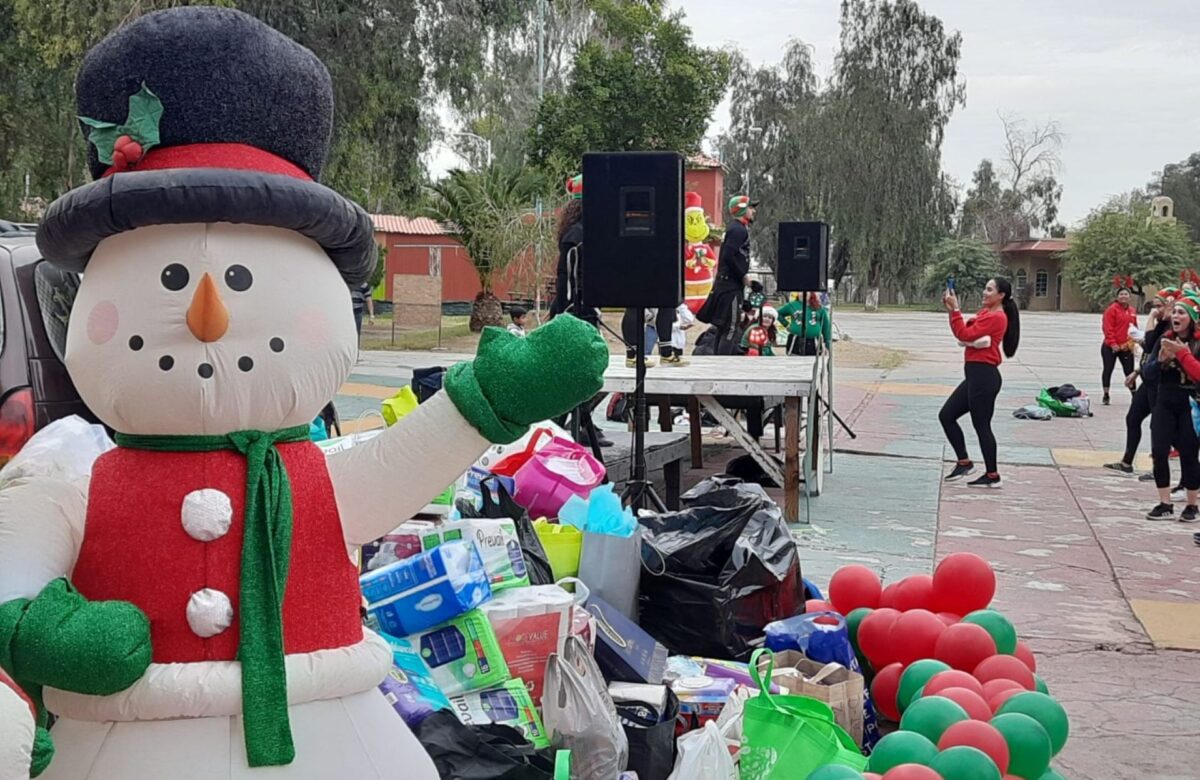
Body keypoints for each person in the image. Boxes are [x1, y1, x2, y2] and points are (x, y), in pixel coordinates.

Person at [939, 277, 1021, 488]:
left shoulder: (997, 317)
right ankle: (964, 462)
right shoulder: (986, 313)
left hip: (984, 377)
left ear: (1001, 295)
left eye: (989, 290)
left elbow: (964, 333)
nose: (984, 293)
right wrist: (953, 313)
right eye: (985, 288)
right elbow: (965, 332)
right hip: (975, 376)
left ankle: (992, 475)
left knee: (981, 425)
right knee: (947, 415)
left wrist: (956, 311)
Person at [1141, 295, 1200, 521]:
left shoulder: (1197, 343)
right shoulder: (1165, 339)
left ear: (1192, 318)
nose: (1175, 316)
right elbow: (1148, 374)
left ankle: (1192, 505)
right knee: (1159, 451)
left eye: (1181, 313)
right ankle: (1164, 503)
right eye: (1174, 312)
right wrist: (1161, 361)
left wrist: (1182, 355)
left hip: (1189, 403)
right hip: (1164, 401)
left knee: (1188, 453)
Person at [1106, 287, 1177, 475]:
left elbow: (1148, 339)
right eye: (1155, 306)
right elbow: (1150, 351)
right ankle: (1127, 461)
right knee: (1133, 417)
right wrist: (1136, 372)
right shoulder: (1163, 324)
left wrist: (1152, 318)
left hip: (1160, 383)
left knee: (1158, 426)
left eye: (1160, 306)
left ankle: (1158, 469)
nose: (1156, 310)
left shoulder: (1172, 328)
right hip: (1148, 380)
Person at [697, 194, 760, 350]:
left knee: (722, 327)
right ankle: (723, 364)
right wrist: (744, 277)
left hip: (726, 284)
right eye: (751, 207)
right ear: (742, 210)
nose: (754, 211)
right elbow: (728, 256)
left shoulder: (734, 228)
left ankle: (718, 361)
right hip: (730, 287)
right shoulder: (738, 230)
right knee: (731, 327)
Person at [549, 176, 595, 325]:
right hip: (575, 307)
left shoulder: (573, 231)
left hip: (577, 304)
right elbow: (565, 274)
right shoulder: (576, 234)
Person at [1101, 281, 1138, 404]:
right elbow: (1108, 328)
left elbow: (1134, 327)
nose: (1123, 296)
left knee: (1130, 371)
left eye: (1126, 294)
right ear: (1117, 297)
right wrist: (1113, 343)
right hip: (1110, 347)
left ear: (1130, 297)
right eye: (1121, 294)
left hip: (1126, 346)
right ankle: (1106, 394)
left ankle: (1135, 396)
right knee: (1108, 369)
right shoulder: (1112, 310)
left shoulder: (1132, 310)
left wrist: (1135, 341)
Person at [778, 292, 832, 356]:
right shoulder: (792, 305)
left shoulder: (819, 308)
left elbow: (826, 327)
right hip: (795, 340)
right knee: (794, 361)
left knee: (813, 362)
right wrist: (786, 324)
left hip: (814, 341)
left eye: (807, 292)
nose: (803, 293)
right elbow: (777, 313)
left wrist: (827, 345)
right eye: (800, 291)